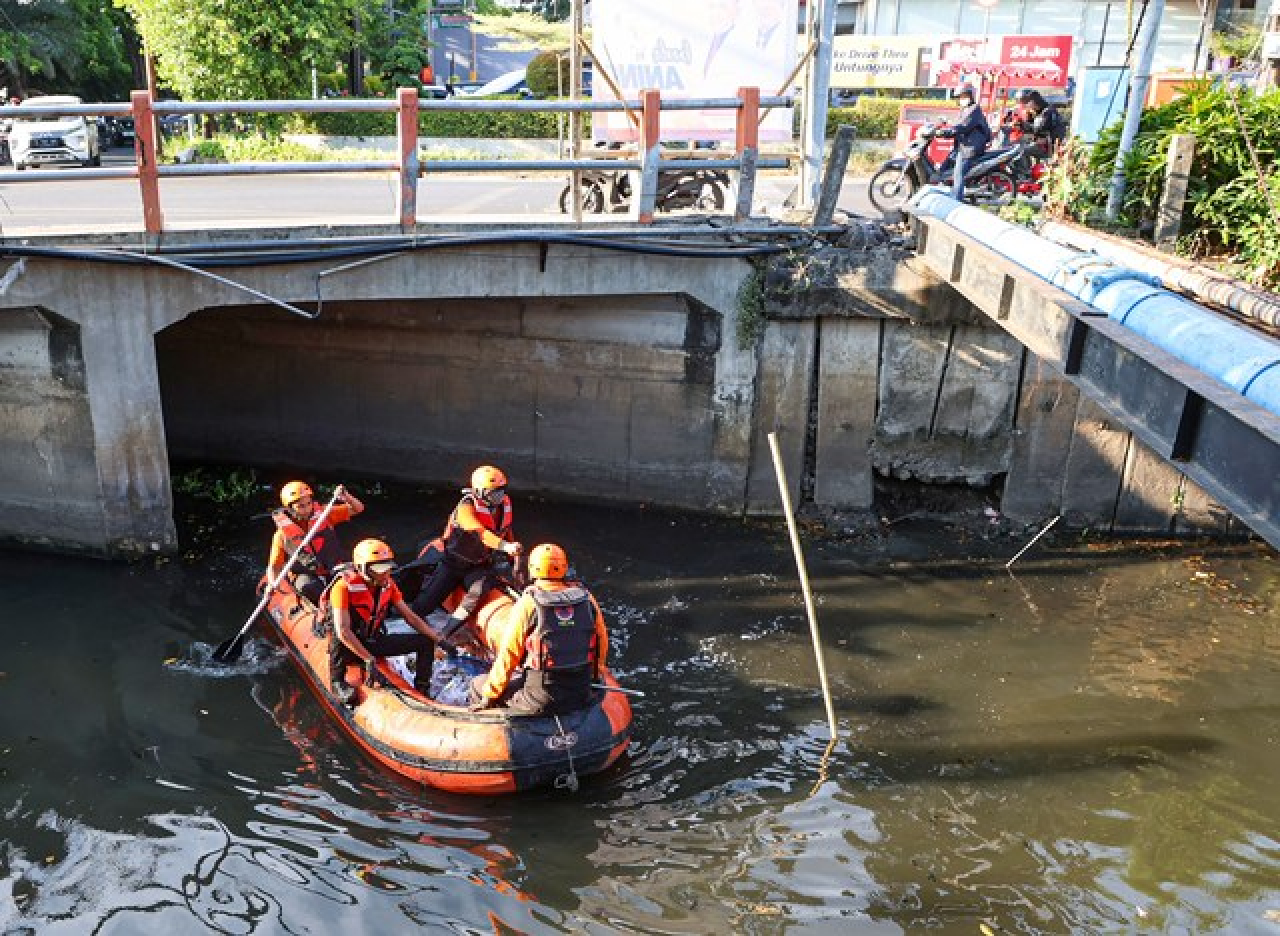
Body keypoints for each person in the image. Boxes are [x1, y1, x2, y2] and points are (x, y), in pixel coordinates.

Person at [468, 543, 608, 715]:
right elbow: (601, 642)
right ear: (564, 567)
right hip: (581, 691)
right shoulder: (587, 599)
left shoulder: (529, 603)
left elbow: (509, 653)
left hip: (540, 696)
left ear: (532, 568)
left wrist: (489, 695)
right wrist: (594, 677)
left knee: (476, 685)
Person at [411, 465, 522, 637]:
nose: (499, 497)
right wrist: (505, 546)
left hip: (479, 565)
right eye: (494, 493)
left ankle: (445, 633)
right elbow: (480, 533)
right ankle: (420, 621)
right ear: (479, 492)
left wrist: (512, 557)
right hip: (453, 564)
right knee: (423, 605)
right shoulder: (466, 508)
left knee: (477, 592)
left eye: (501, 491)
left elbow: (506, 529)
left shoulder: (504, 505)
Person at [326, 538, 437, 700]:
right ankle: (337, 681)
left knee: (425, 642)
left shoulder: (388, 585)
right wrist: (368, 659)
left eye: (388, 569)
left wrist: (437, 638)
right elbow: (343, 630)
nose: (386, 574)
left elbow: (410, 617)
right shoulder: (343, 587)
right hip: (347, 644)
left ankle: (422, 688)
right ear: (362, 568)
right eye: (379, 570)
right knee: (338, 637)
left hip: (372, 640)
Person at [264, 481, 364, 604]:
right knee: (308, 587)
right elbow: (274, 566)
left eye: (309, 503)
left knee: (353, 583)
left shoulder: (324, 514)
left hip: (332, 567)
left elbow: (358, 508)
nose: (307, 509)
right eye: (301, 506)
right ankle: (324, 608)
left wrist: (346, 497)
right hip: (306, 574)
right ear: (290, 509)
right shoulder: (281, 536)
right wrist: (272, 584)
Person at [947, 83, 992, 201]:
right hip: (964, 146)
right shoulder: (965, 110)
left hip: (970, 148)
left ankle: (956, 200)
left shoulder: (974, 109)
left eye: (964, 96)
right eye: (960, 97)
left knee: (958, 174)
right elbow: (958, 124)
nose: (962, 99)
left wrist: (951, 130)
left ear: (971, 96)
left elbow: (964, 125)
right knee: (947, 164)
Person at [1017, 89, 1067, 159]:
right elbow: (1033, 129)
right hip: (1041, 144)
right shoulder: (1038, 112)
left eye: (1025, 102)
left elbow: (1038, 129)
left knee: (1020, 151)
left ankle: (1024, 166)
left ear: (1034, 100)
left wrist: (1046, 140)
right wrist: (1024, 122)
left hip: (1049, 147)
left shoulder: (1048, 112)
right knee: (1016, 147)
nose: (1024, 105)